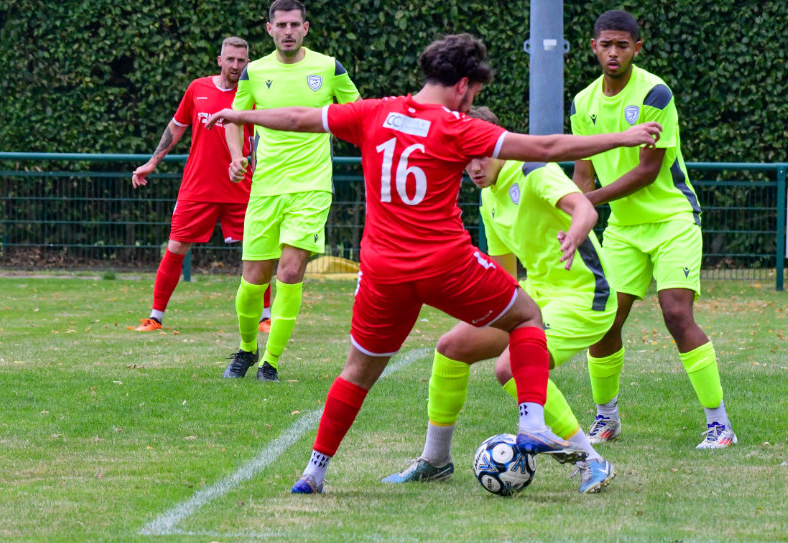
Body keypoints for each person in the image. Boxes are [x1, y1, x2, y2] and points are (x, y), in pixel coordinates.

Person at [207, 33, 661, 493]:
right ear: (463, 86)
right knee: (526, 316)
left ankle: (314, 472)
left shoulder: (374, 112)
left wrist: (241, 114)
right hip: (445, 264)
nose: (471, 102)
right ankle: (531, 423)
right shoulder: (457, 127)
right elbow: (546, 148)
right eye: (473, 94)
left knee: (356, 373)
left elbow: (298, 118)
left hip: (383, 272)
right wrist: (622, 137)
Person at [382, 105, 617, 494]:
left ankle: (591, 460)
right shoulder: (488, 198)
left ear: (498, 145)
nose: (473, 167)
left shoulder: (532, 170)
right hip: (538, 298)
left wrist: (575, 235)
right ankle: (435, 461)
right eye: (465, 159)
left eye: (480, 155)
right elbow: (504, 279)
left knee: (511, 367)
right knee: (451, 348)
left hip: (585, 297)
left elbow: (584, 209)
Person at [569, 10, 736, 450]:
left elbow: (647, 171)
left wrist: (588, 201)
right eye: (606, 44)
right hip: (623, 229)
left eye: (622, 45)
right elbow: (583, 172)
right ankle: (606, 418)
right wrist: (574, 213)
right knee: (604, 321)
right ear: (593, 47)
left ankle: (719, 424)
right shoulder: (582, 103)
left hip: (673, 220)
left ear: (637, 49)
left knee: (677, 314)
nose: (613, 52)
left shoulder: (655, 92)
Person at [219, 0, 361, 382]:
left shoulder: (329, 68)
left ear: (305, 28)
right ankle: (247, 350)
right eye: (280, 25)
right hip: (265, 188)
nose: (287, 31)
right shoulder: (253, 71)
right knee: (253, 281)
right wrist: (236, 156)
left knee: (292, 270)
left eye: (294, 24)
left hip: (312, 187)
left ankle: (271, 362)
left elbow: (359, 114)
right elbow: (234, 118)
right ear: (269, 29)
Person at [130, 37, 272, 333]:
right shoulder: (198, 88)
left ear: (248, 63)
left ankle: (265, 317)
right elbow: (177, 125)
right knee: (176, 245)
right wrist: (153, 161)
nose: (235, 65)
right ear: (220, 60)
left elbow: (263, 140)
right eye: (230, 59)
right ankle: (155, 317)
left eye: (241, 60)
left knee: (258, 249)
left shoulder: (254, 94)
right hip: (198, 186)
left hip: (241, 186)